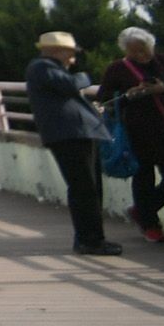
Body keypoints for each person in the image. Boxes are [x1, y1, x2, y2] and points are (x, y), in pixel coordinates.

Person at [24, 31, 125, 256]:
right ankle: (91, 240)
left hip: (73, 134)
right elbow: (70, 85)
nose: (72, 59)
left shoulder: (43, 68)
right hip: (71, 136)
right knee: (85, 189)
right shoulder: (41, 66)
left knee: (87, 188)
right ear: (58, 52)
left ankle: (88, 238)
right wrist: (85, 77)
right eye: (70, 54)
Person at [99, 27, 164, 241]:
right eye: (135, 52)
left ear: (151, 46)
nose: (141, 56)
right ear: (126, 51)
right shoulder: (117, 68)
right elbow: (104, 98)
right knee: (143, 177)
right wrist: (128, 95)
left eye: (144, 50)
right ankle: (151, 225)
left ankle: (142, 211)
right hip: (137, 133)